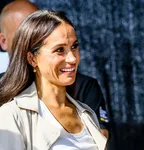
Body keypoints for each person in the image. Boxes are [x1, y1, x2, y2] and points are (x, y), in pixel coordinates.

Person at [0, 10, 107, 149]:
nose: (73, 58)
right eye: (59, 50)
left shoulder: (86, 113)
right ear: (32, 59)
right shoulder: (11, 115)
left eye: (74, 46)